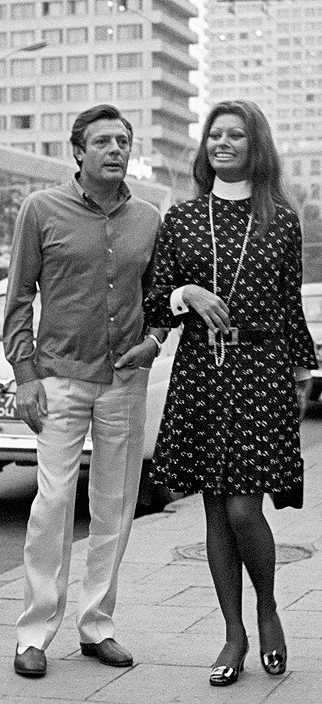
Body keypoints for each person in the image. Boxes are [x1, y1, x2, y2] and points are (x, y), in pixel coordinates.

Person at [144, 99, 317, 687]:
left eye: (235, 135)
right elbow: (156, 298)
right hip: (202, 369)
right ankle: (233, 633)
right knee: (216, 510)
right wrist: (186, 294)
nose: (222, 143)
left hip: (261, 369)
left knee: (245, 508)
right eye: (214, 134)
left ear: (254, 145)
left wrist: (301, 375)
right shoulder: (183, 217)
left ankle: (267, 609)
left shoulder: (281, 220)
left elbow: (290, 304)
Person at [3, 104, 167, 677]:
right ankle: (34, 634)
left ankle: (98, 625)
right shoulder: (41, 209)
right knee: (52, 505)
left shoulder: (148, 217)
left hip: (124, 379)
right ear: (77, 151)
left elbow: (159, 294)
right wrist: (25, 376)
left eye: (122, 141)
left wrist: (155, 340)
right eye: (102, 141)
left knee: (115, 506)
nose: (115, 149)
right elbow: (18, 298)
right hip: (59, 377)